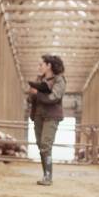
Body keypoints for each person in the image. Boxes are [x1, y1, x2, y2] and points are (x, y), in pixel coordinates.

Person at [28, 54, 66, 186]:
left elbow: (54, 97)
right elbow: (31, 99)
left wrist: (37, 94)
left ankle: (48, 177)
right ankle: (46, 175)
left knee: (45, 144)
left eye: (41, 64)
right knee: (40, 145)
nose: (39, 67)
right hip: (38, 115)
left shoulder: (59, 80)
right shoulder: (39, 79)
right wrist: (32, 94)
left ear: (48, 65)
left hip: (51, 116)